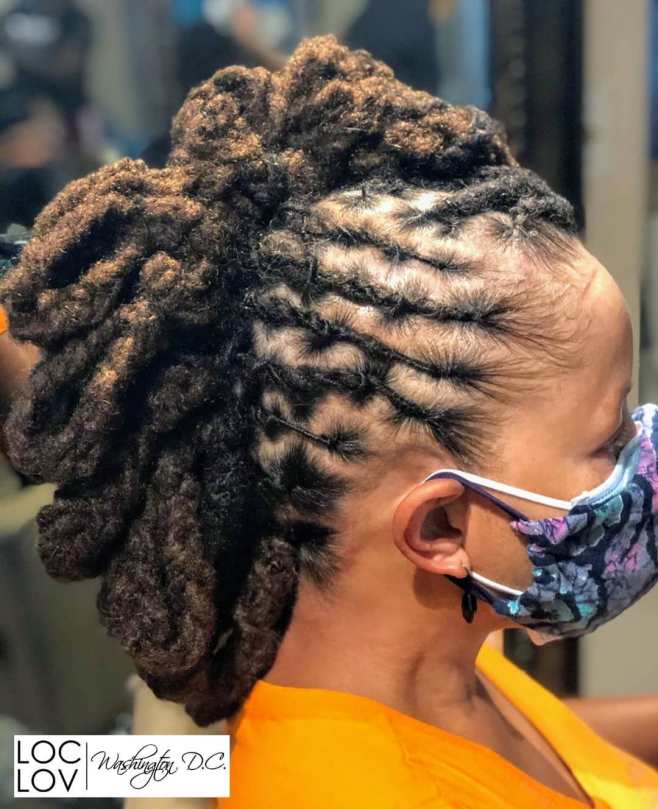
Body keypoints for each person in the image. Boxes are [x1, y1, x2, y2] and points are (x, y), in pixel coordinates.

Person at [0, 34, 657, 809]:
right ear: (441, 525)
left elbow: (517, 752)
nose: (643, 449)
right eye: (610, 438)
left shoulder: (427, 649)